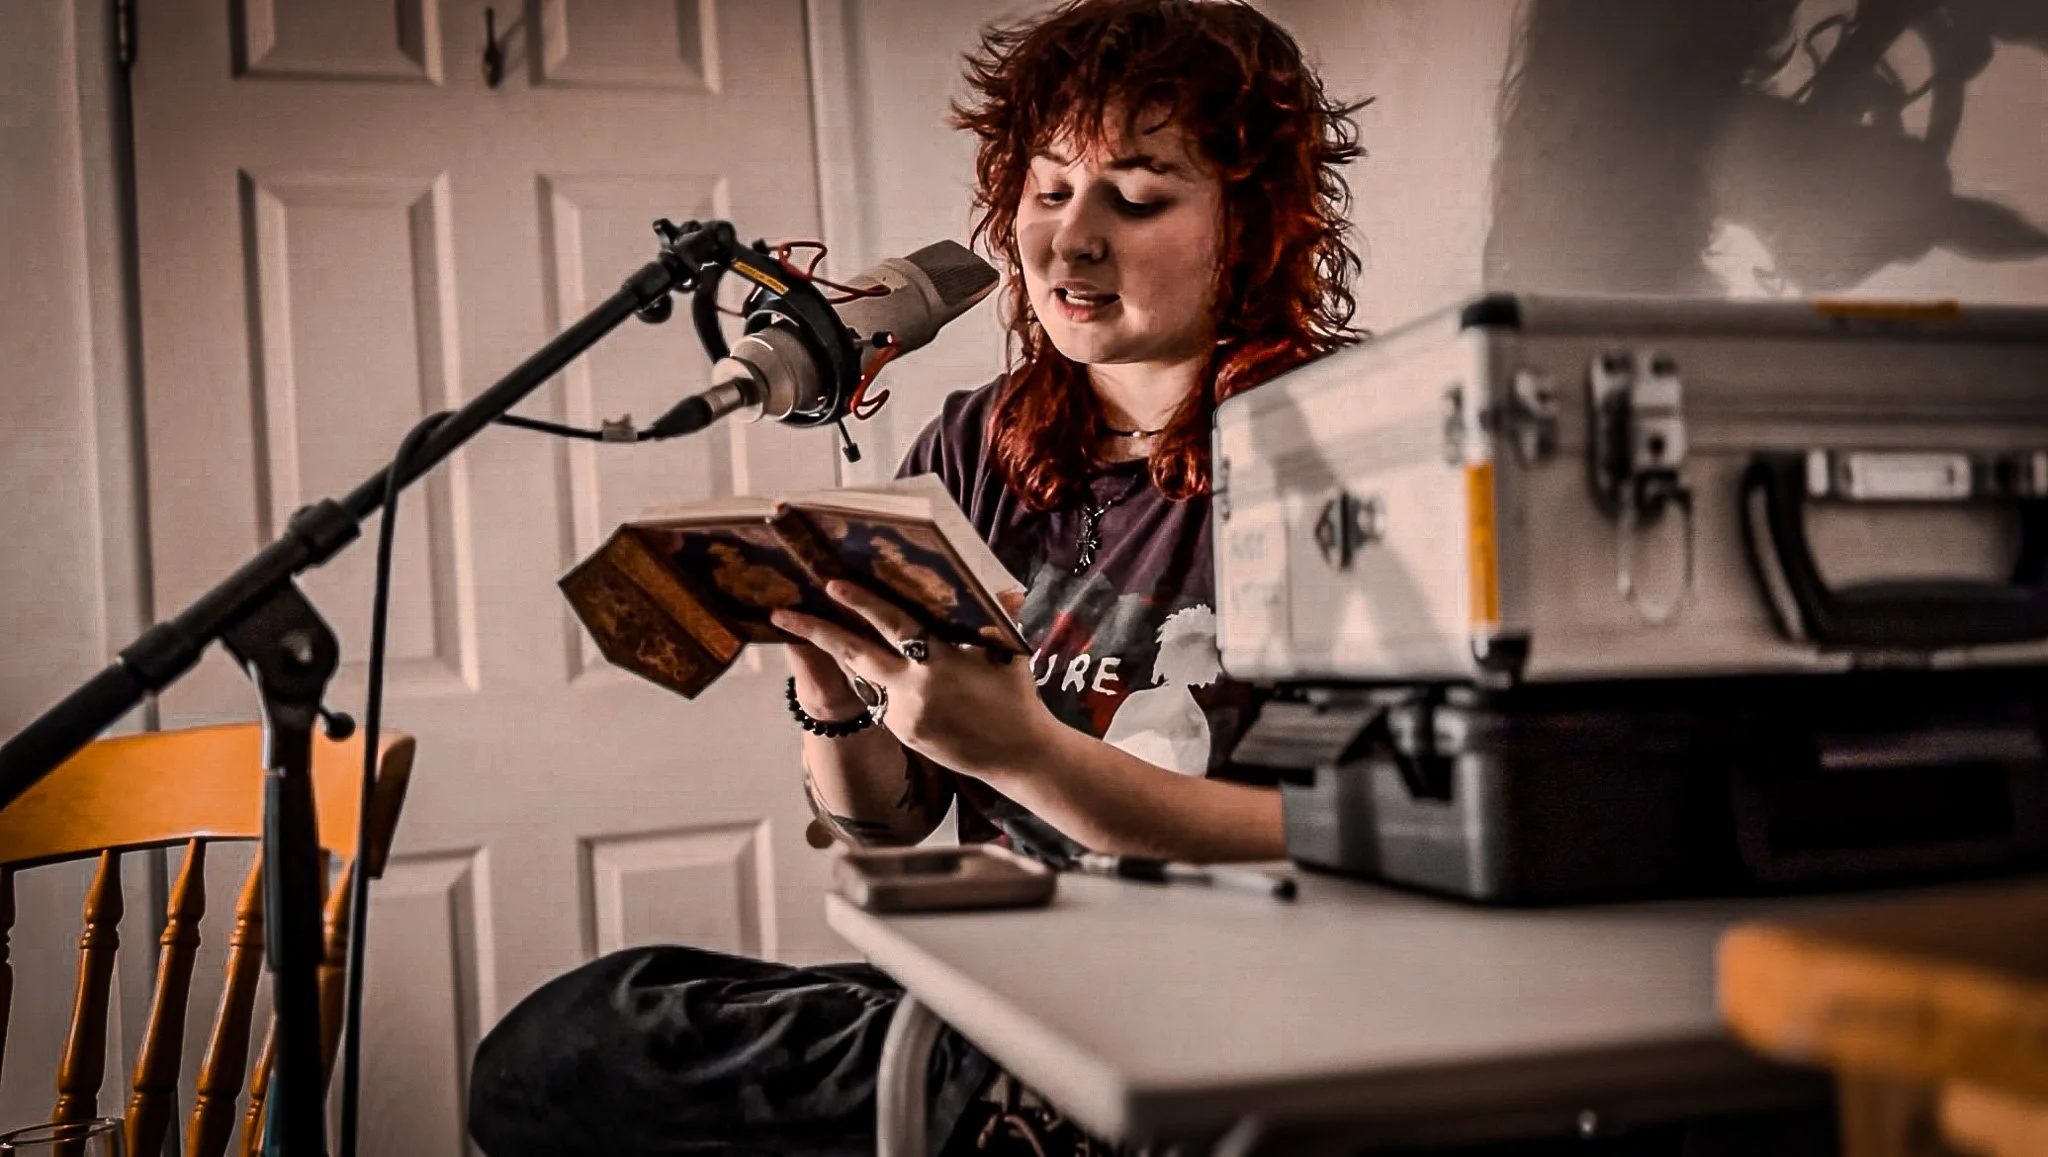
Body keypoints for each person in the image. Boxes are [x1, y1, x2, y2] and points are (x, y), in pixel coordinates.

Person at [466, 2, 1362, 1153]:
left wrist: (1030, 752)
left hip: (1221, 996)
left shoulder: (1340, 449)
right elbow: (890, 823)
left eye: (1135, 197)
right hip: (1000, 985)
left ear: (1251, 226)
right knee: (561, 1047)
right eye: (1047, 191)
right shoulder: (972, 447)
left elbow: (1346, 839)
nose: (1069, 243)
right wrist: (829, 683)